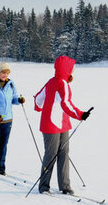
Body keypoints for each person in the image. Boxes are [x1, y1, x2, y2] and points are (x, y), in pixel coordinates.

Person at [34, 55, 91, 195]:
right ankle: (44, 186)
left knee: (63, 153)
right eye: (71, 69)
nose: (72, 72)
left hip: (62, 124)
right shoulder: (61, 83)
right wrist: (80, 114)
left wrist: (39, 107)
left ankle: (65, 186)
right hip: (51, 124)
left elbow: (38, 99)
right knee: (51, 154)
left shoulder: (52, 81)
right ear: (67, 69)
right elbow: (65, 103)